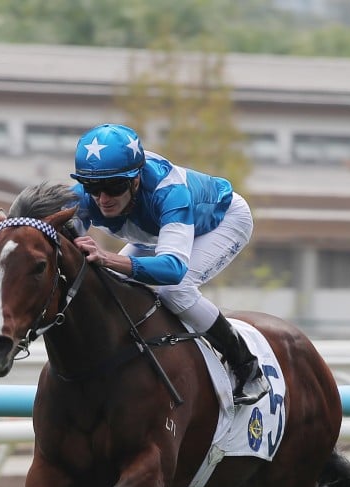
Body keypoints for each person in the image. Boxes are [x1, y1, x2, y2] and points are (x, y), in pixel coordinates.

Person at [68, 122, 270, 405]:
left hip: (222, 222)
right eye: (93, 187)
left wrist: (108, 257)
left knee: (175, 290)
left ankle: (246, 366)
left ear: (135, 180)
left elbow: (172, 270)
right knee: (112, 285)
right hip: (155, 233)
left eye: (113, 187)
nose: (102, 198)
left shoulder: (169, 191)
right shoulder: (83, 195)